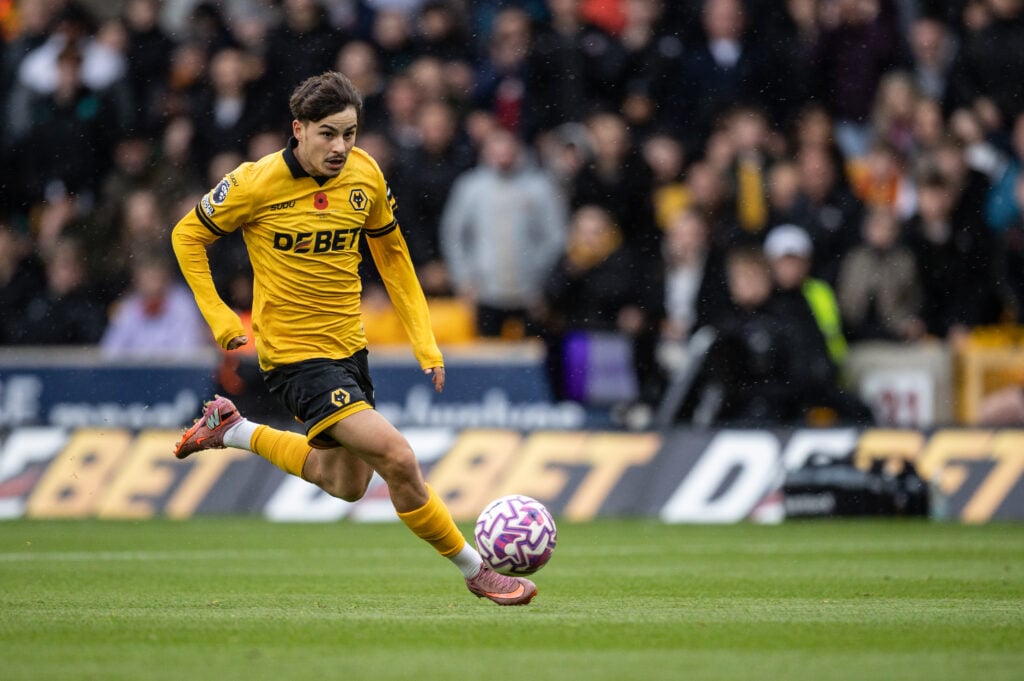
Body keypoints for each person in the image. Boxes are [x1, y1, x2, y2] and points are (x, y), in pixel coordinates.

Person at [170, 71, 536, 606]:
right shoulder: (254, 183)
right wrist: (222, 317)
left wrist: (424, 341)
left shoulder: (365, 175)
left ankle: (231, 429)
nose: (341, 147)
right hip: (294, 356)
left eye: (350, 133)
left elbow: (393, 256)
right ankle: (477, 570)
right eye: (328, 134)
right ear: (298, 129)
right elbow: (187, 235)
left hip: (349, 349)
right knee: (400, 457)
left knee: (343, 483)